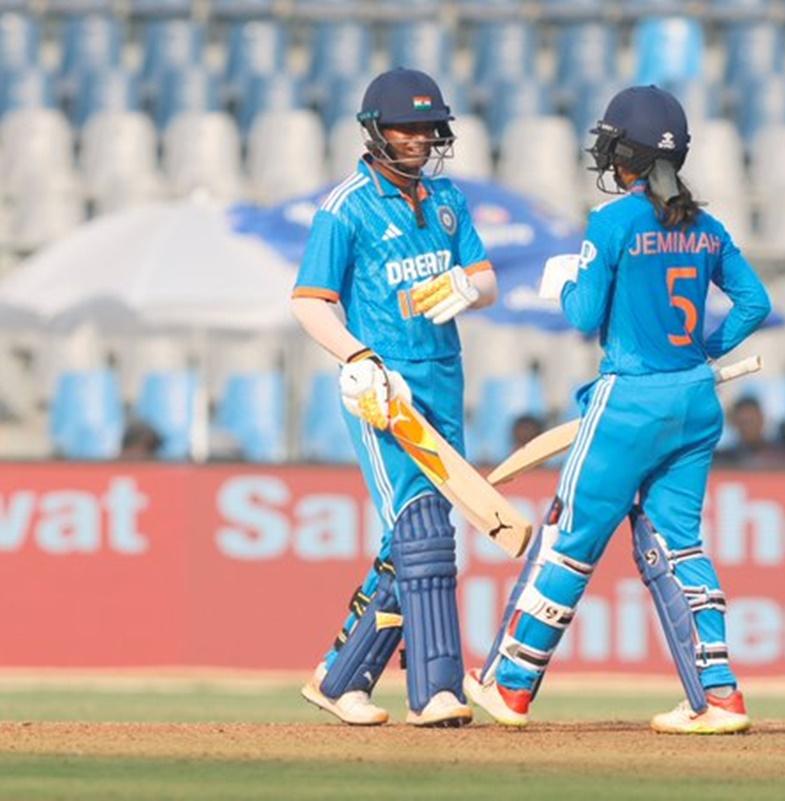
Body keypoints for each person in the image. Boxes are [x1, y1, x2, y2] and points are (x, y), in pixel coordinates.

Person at [464, 85, 771, 734]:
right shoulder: (707, 227)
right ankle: (719, 696)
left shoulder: (611, 224)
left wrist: (566, 280)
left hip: (628, 399)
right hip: (695, 399)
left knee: (568, 536)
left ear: (626, 155)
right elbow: (754, 303)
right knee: (683, 545)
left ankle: (509, 685)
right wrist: (700, 349)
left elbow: (581, 316)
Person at [289, 67, 498, 727]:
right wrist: (359, 358)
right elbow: (309, 303)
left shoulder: (445, 199)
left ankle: (341, 675)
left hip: (445, 374)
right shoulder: (344, 206)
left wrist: (470, 289)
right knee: (423, 531)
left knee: (414, 540)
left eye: (428, 126)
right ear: (376, 129)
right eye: (407, 126)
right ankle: (436, 689)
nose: (419, 138)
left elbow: (486, 275)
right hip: (387, 388)